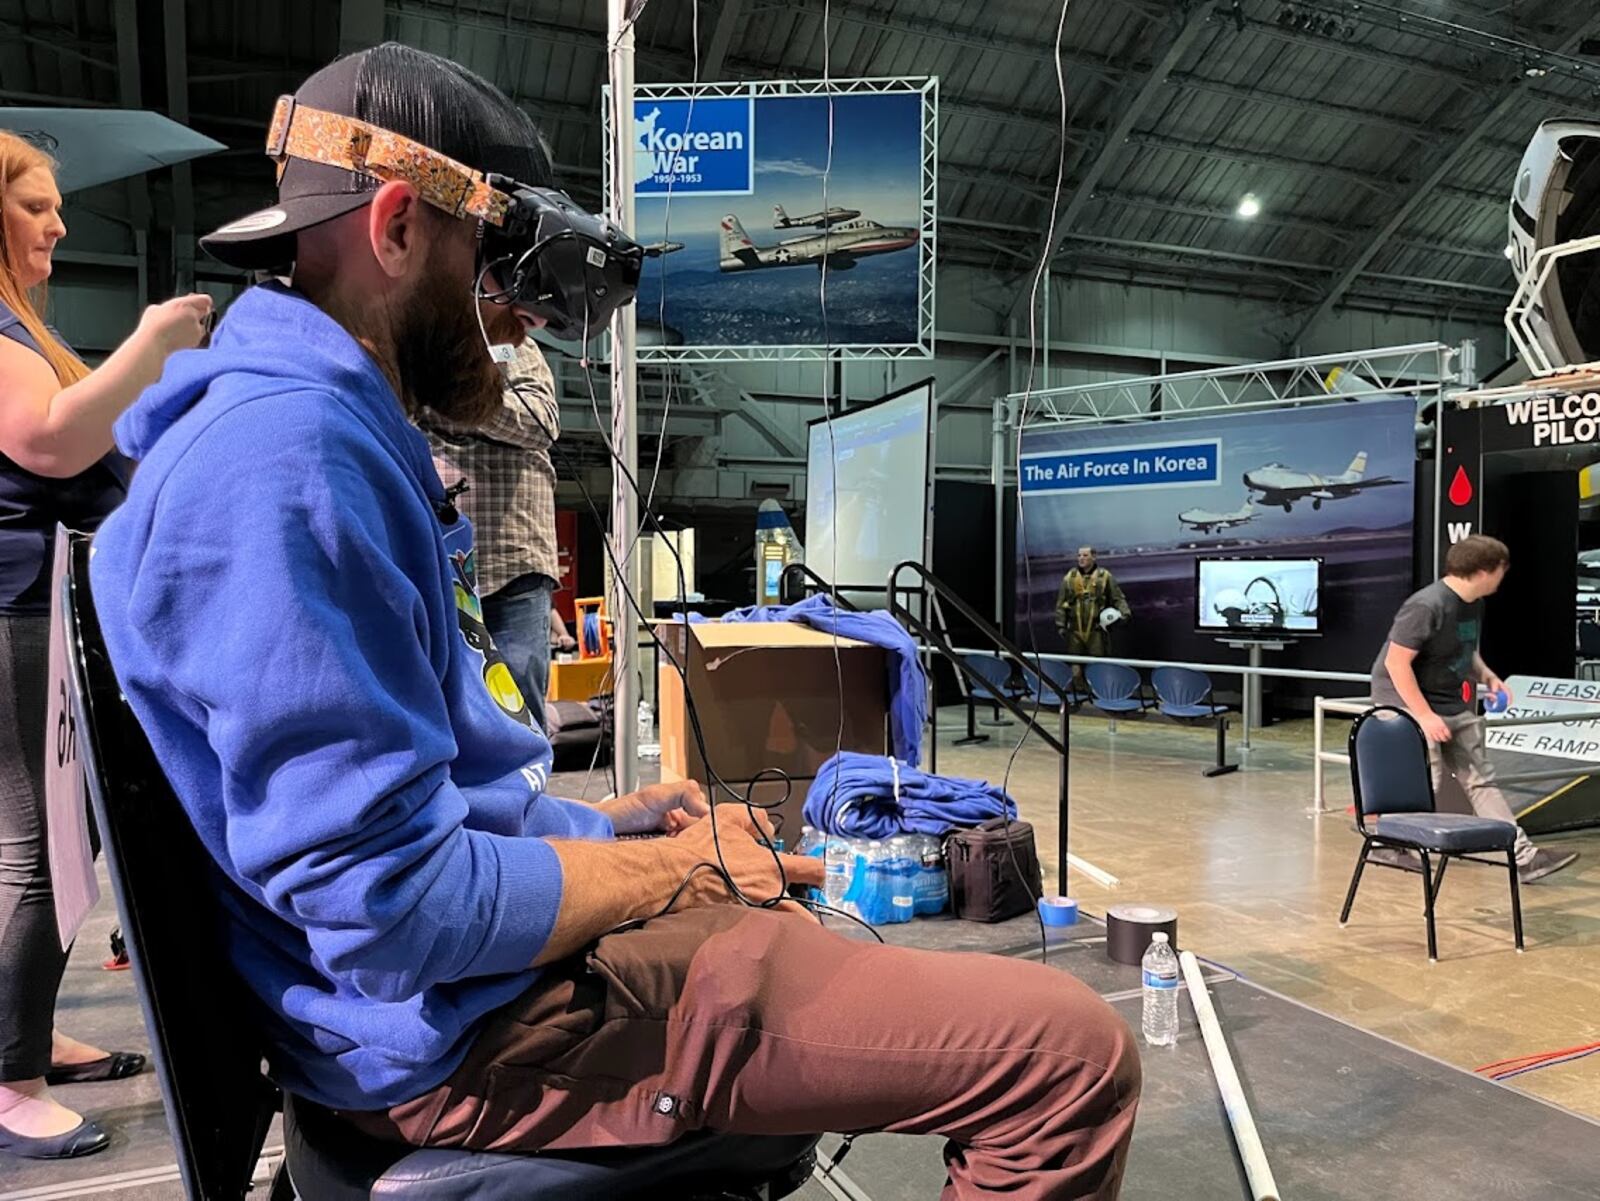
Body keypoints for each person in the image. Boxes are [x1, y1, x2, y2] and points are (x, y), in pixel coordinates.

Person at [89, 45, 1140, 1199]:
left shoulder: (310, 435)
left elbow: (417, 806)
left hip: (463, 998)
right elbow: (386, 908)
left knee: (787, 909)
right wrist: (665, 872)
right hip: (469, 1035)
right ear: (393, 227)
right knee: (1068, 1055)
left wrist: (607, 837)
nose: (521, 322)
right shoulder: (285, 466)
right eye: (497, 269)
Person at [0, 131, 212, 1159]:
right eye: (37, 205)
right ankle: (8, 1078)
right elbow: (48, 440)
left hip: (42, 602)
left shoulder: (20, 326)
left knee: (53, 846)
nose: (59, 222)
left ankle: (21, 1036)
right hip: (16, 608)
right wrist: (153, 343)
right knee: (35, 851)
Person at [1372, 535, 1579, 884]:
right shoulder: (1426, 605)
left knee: (1481, 779)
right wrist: (1422, 716)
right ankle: (1390, 843)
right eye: (1501, 570)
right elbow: (1395, 664)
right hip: (1405, 702)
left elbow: (1462, 648)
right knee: (1426, 778)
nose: (1502, 577)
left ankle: (1523, 857)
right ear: (1484, 571)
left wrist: (1486, 675)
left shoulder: (1472, 603)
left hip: (1448, 701)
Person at [424, 340, 563, 709]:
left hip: (511, 565)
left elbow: (541, 421)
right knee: (434, 706)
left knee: (518, 706)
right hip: (432, 567)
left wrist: (459, 403)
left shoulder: (507, 344)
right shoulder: (413, 340)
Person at [1056, 546, 1131, 679]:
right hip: (1075, 630)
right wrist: (1060, 624)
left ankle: (1097, 693)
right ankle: (1077, 693)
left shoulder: (1105, 576)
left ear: (1094, 557)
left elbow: (1118, 598)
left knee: (1098, 664)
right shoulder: (1070, 577)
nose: (1081, 558)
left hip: (1096, 630)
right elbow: (1061, 602)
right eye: (1079, 555)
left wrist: (1125, 615)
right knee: (1075, 664)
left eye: (1085, 555)